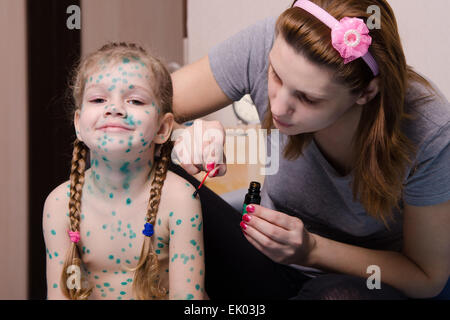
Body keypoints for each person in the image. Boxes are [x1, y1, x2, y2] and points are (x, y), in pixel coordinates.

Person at [170, 0, 450, 299]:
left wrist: (311, 250)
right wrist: (184, 134)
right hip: (263, 264)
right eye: (275, 75)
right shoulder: (271, 42)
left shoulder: (429, 130)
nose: (278, 107)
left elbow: (426, 277)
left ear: (366, 92)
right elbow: (139, 109)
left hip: (358, 281)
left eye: (308, 98)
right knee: (147, 158)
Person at [43, 42, 206, 300]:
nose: (114, 108)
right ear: (78, 125)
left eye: (135, 100)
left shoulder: (179, 200)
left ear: (163, 129)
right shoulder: (59, 203)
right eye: (98, 99)